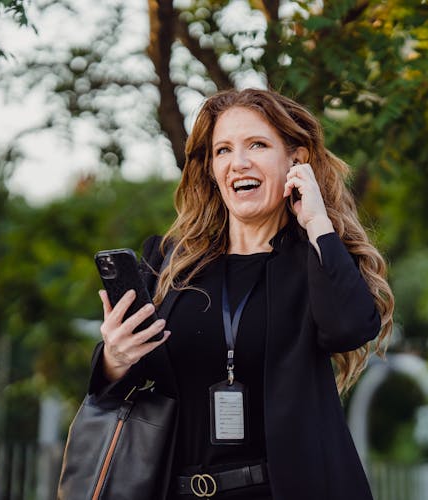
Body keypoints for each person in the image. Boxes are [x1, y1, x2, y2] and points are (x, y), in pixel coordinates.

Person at [88, 88, 394, 499]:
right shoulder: (170, 263)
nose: (239, 162)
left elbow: (350, 328)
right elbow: (116, 388)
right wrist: (114, 358)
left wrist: (318, 221)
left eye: (258, 145)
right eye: (223, 150)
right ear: (212, 168)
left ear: (296, 160)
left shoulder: (317, 260)